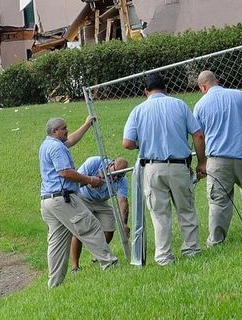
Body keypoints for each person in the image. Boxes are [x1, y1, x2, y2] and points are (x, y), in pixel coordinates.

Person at [122, 73, 206, 265]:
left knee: (160, 214)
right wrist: (202, 162)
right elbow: (198, 135)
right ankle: (191, 249)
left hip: (152, 167)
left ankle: (163, 256)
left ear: (146, 91)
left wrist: (141, 144)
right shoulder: (179, 105)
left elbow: (126, 143)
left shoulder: (138, 110)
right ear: (165, 88)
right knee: (186, 209)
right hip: (179, 165)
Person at [39, 116, 118, 287]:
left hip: (48, 202)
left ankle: (54, 284)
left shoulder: (48, 144)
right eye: (64, 128)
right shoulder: (56, 147)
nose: (67, 130)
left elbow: (72, 139)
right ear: (54, 131)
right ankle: (110, 263)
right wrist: (90, 180)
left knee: (57, 242)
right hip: (63, 198)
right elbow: (65, 172)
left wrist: (86, 125)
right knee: (91, 226)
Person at [194, 70, 242, 245]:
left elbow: (199, 135)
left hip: (218, 159)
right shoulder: (238, 95)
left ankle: (216, 240)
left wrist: (201, 163)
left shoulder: (200, 105)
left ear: (202, 87)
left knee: (219, 201)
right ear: (217, 81)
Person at [70, 156, 129, 272]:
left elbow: (123, 202)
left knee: (109, 230)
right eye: (114, 173)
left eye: (119, 176)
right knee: (79, 231)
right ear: (111, 165)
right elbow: (75, 181)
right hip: (83, 197)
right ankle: (75, 266)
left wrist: (124, 224)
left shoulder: (122, 182)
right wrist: (90, 181)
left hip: (101, 202)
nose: (115, 177)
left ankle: (98, 254)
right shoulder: (94, 162)